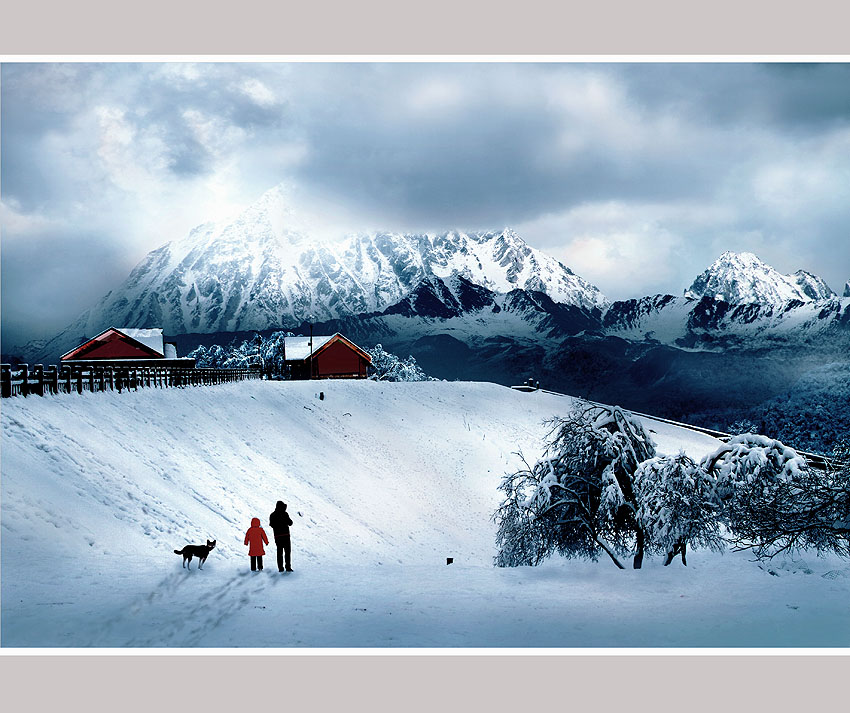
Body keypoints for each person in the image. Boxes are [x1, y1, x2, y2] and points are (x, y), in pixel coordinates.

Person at [269, 500, 294, 572]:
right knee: (287, 552)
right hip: (286, 535)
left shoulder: (272, 515)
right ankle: (288, 567)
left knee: (279, 552)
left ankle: (280, 568)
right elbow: (290, 523)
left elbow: (272, 525)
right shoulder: (285, 514)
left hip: (278, 536)